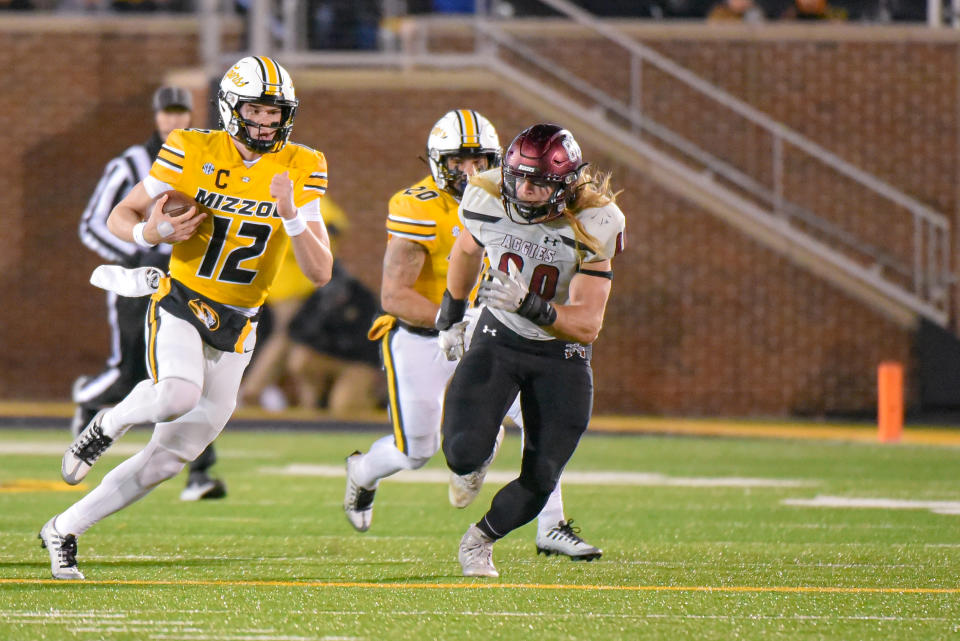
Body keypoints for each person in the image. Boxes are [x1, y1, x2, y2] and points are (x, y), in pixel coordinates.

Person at [39, 55, 333, 580]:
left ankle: (63, 528)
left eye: (276, 113)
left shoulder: (303, 164)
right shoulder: (190, 149)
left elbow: (320, 271)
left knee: (168, 460)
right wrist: (150, 236)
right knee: (176, 393)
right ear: (230, 109)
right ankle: (107, 422)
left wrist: (291, 214)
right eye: (257, 111)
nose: (267, 123)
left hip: (241, 321)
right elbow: (120, 215)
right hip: (182, 299)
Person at [343, 110, 600, 560]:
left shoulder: (517, 195)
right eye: (458, 162)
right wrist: (452, 320)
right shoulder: (416, 205)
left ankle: (551, 525)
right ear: (435, 162)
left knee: (536, 415)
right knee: (416, 451)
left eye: (479, 160)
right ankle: (363, 471)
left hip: (492, 327)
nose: (469, 171)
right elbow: (394, 295)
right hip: (424, 335)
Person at [437, 123, 625, 577]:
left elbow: (587, 325)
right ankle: (480, 453)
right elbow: (466, 250)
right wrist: (451, 313)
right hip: (498, 337)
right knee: (461, 452)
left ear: (566, 183)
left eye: (539, 181)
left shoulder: (597, 222)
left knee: (542, 476)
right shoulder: (484, 194)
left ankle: (479, 541)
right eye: (518, 176)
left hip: (559, 355)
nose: (525, 189)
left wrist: (532, 305)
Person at [73, 85, 227, 503]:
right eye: (167, 113)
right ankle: (90, 400)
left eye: (181, 113)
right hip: (141, 279)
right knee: (133, 372)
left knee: (191, 375)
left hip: (190, 280)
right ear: (156, 117)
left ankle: (200, 471)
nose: (174, 121)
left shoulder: (208, 158)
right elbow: (95, 222)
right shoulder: (132, 163)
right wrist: (141, 249)